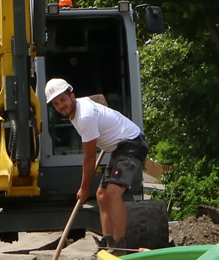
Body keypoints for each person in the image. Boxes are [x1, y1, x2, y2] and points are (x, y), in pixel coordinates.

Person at [45, 78, 146, 248]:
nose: (61, 106)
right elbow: (99, 98)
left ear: (72, 96)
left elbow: (90, 158)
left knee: (113, 192)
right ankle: (108, 244)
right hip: (118, 147)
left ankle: (120, 247)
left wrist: (84, 188)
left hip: (132, 143)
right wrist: (104, 112)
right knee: (101, 195)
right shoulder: (81, 104)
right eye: (56, 103)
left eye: (63, 99)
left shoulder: (84, 118)